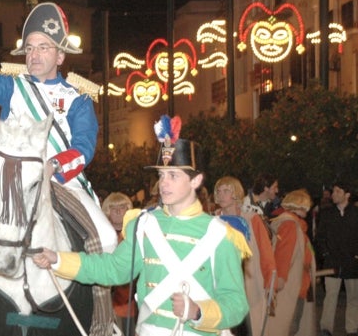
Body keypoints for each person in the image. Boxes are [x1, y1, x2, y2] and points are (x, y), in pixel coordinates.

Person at [32, 118, 250, 336]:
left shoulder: (221, 234)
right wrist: (58, 260)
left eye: (173, 175)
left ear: (196, 180)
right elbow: (113, 269)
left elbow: (236, 303)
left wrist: (198, 311)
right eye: (161, 175)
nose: (163, 183)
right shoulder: (144, 224)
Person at [0, 0, 116, 253]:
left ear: (60, 56)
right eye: (29, 48)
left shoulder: (77, 98)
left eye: (43, 47)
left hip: (62, 182)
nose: (34, 55)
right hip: (12, 184)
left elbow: (84, 147)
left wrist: (53, 166)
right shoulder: (12, 87)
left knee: (107, 240)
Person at [214, 176, 277, 336]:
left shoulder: (252, 220)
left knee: (249, 329)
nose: (221, 195)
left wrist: (270, 284)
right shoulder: (211, 221)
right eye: (219, 191)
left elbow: (266, 253)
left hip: (248, 283)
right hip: (219, 284)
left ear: (236, 193)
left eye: (226, 191)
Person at [268, 189, 316, 336]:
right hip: (291, 287)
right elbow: (284, 254)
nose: (307, 212)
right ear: (299, 207)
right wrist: (280, 279)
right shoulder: (291, 225)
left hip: (295, 284)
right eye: (305, 208)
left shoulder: (290, 224)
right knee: (288, 326)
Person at [316, 181, 358, 336]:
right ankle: (326, 328)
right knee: (330, 296)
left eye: (337, 191)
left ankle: (352, 328)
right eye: (333, 191)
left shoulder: (355, 213)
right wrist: (325, 254)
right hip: (332, 263)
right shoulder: (327, 213)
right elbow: (320, 238)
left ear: (347, 194)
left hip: (352, 263)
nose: (333, 194)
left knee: (354, 297)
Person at [101, 192, 138, 336]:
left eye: (122, 207)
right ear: (106, 211)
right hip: (105, 302)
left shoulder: (135, 234)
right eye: (113, 207)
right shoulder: (101, 235)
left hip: (128, 303)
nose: (118, 211)